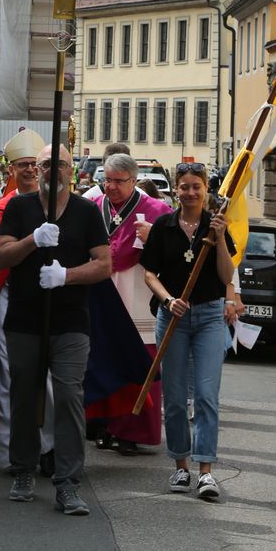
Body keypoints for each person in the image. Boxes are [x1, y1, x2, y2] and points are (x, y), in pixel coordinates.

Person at [0, 144, 111, 517]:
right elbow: (1, 255)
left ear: (71, 170)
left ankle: (68, 483)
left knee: (68, 396)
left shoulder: (86, 211)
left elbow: (104, 264)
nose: (52, 170)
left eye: (60, 164)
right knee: (24, 396)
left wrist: (66, 276)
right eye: (45, 164)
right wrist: (33, 240)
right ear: (37, 169)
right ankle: (23, 470)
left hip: (70, 321)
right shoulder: (19, 207)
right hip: (25, 319)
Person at [141, 162, 238, 500]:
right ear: (176, 189)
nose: (191, 192)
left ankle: (206, 471)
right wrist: (168, 300)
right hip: (173, 319)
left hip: (209, 316)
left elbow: (226, 276)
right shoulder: (164, 226)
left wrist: (220, 239)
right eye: (185, 186)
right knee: (175, 397)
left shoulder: (216, 226)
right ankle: (181, 466)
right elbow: (149, 273)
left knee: (207, 396)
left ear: (206, 190)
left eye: (197, 186)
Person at [0, 129, 55, 475]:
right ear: (11, 170)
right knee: (12, 378)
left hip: (51, 303)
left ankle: (49, 448)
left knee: (51, 379)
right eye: (23, 165)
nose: (31, 170)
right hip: (10, 303)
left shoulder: (60, 205)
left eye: (36, 164)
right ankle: (12, 453)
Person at [86, 154, 174, 455]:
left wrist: (153, 238)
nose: (110, 187)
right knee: (104, 362)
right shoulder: (94, 207)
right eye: (107, 180)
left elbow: (173, 256)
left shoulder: (158, 211)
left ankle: (133, 432)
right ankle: (104, 426)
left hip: (138, 299)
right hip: (102, 296)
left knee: (139, 365)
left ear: (134, 180)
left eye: (118, 181)